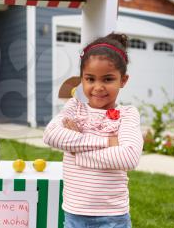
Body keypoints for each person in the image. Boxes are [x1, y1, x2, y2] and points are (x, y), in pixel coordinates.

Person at [43, 33, 144, 228]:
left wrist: (76, 150)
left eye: (107, 79)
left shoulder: (128, 114)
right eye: (90, 79)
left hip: (113, 216)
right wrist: (107, 142)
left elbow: (129, 158)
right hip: (75, 213)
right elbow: (51, 135)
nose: (98, 87)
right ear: (82, 79)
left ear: (123, 80)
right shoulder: (74, 108)